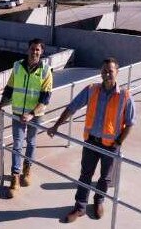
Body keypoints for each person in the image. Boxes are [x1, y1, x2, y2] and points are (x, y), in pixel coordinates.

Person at [47, 57, 135, 222]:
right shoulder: (92, 90)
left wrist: (118, 142)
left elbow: (130, 123)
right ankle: (80, 207)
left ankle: (98, 201)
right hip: (91, 142)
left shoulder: (125, 96)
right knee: (85, 174)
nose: (107, 74)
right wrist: (56, 126)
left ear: (117, 72)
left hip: (111, 146)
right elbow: (72, 107)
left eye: (110, 70)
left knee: (105, 178)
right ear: (100, 72)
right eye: (104, 70)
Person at [0, 38, 53, 199]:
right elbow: (10, 89)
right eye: (32, 49)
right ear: (28, 50)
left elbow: (46, 98)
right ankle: (15, 177)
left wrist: (32, 114)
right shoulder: (17, 66)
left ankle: (27, 169)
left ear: (42, 52)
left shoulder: (46, 71)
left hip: (36, 115)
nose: (34, 52)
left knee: (31, 142)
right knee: (17, 144)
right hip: (18, 113)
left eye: (38, 50)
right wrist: (0, 105)